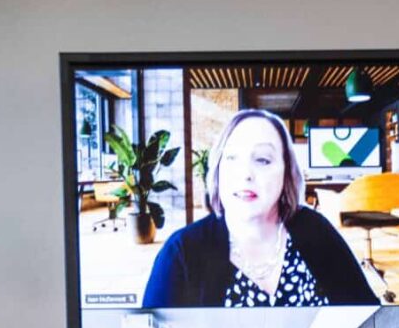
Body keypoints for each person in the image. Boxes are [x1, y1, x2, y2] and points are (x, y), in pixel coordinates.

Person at [141, 108, 379, 308]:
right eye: (232, 158)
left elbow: (367, 317)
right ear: (217, 169)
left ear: (286, 170)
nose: (245, 174)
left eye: (263, 160)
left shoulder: (315, 230)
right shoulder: (181, 251)